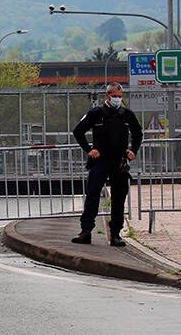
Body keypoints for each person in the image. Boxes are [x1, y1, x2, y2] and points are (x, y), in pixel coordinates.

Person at [71, 82, 143, 246]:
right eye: (114, 96)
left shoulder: (126, 114)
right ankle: (86, 231)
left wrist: (133, 150)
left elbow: (138, 133)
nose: (117, 99)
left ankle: (116, 234)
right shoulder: (97, 113)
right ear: (108, 95)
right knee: (93, 195)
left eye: (119, 96)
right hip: (100, 160)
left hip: (119, 161)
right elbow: (78, 131)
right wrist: (88, 149)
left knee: (119, 198)